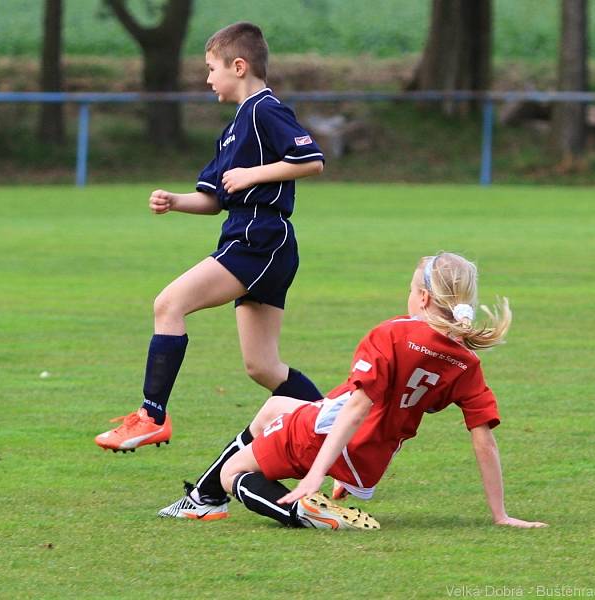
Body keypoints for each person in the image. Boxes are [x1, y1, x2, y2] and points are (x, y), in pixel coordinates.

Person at [158, 253, 548, 531]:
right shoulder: (466, 361)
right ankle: (202, 502)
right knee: (274, 405)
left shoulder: (394, 333)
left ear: (424, 298)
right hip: (370, 456)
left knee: (233, 474)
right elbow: (485, 442)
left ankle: (301, 510)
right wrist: (500, 514)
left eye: (412, 289)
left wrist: (315, 475)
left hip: (329, 435)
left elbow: (357, 407)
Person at [95, 22, 326, 452]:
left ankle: (151, 416)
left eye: (210, 68)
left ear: (238, 66)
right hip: (254, 240)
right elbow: (216, 197)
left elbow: (311, 160)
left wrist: (254, 173)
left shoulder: (264, 110)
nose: (206, 79)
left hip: (260, 239)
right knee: (262, 366)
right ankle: (337, 426)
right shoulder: (235, 128)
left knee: (168, 304)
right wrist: (175, 201)